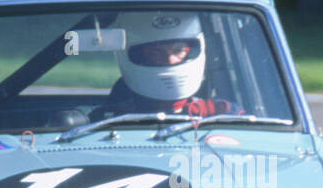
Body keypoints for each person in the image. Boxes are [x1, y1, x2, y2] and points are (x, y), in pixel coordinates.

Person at [97, 11, 242, 119]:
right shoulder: (112, 115)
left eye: (178, 50)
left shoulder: (222, 111)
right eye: (156, 53)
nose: (171, 60)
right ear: (139, 56)